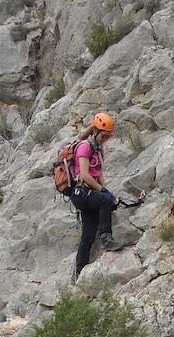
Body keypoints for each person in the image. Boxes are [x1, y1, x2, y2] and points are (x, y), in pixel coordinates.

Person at [70, 112, 122, 280]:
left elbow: (98, 174)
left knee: (88, 236)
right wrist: (104, 192)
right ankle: (106, 237)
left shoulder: (98, 150)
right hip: (81, 192)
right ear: (96, 131)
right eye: (104, 136)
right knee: (105, 200)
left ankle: (78, 273)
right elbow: (85, 175)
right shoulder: (85, 147)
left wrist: (106, 191)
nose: (105, 139)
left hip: (89, 193)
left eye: (108, 137)